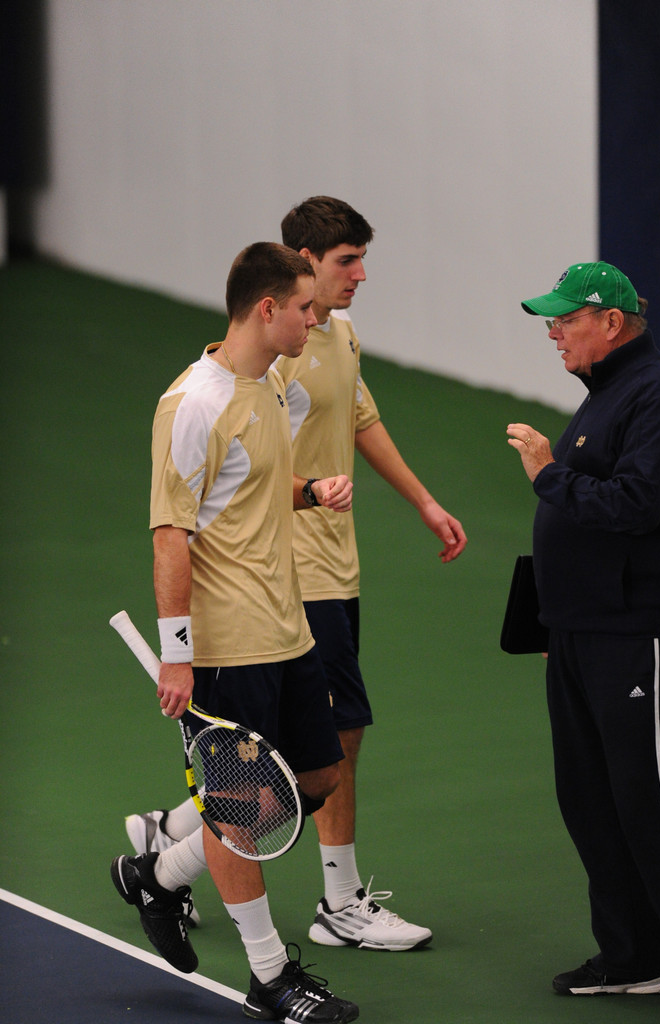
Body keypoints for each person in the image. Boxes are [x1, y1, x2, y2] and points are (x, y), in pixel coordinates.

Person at [124, 197, 467, 952]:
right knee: (283, 770)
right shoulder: (216, 389)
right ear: (287, 287)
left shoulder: (308, 353)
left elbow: (351, 427)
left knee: (313, 765)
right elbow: (173, 531)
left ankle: (165, 853)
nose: (355, 282)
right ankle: (298, 932)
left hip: (309, 588)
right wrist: (176, 648)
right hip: (259, 603)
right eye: (345, 263)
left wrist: (391, 499)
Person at [111, 241, 360, 1024]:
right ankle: (269, 974)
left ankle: (157, 874)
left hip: (288, 630)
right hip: (227, 645)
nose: (315, 319)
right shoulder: (193, 403)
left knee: (314, 781)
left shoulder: (266, 387)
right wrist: (179, 658)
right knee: (244, 811)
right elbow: (169, 536)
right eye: (304, 309)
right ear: (267, 309)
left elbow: (247, 485)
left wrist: (309, 492)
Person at [506, 261, 660, 996]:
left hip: (635, 636)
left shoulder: (659, 392)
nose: (552, 331)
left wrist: (548, 473)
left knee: (653, 805)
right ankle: (636, 954)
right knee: (591, 799)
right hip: (579, 633)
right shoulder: (609, 394)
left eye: (564, 319)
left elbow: (637, 504)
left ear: (610, 322)